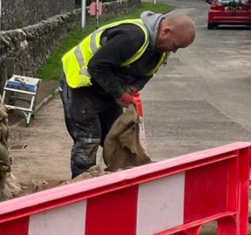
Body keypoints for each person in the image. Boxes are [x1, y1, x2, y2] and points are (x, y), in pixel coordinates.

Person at [59, 11, 196, 177]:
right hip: (81, 86)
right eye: (175, 45)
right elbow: (97, 65)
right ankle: (81, 187)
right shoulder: (133, 37)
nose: (174, 51)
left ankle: (120, 181)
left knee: (117, 136)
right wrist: (119, 94)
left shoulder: (159, 50)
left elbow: (147, 73)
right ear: (165, 31)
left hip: (105, 89)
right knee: (88, 140)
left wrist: (131, 89)